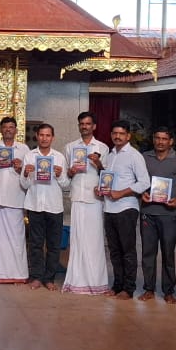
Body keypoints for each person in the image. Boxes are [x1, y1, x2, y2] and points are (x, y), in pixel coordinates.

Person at [101, 119, 150, 300]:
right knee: (114, 250)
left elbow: (144, 182)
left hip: (126, 208)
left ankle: (129, 289)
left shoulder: (134, 155)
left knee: (127, 250)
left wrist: (121, 193)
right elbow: (108, 179)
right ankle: (117, 285)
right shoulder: (110, 155)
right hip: (109, 208)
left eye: (121, 133)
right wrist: (101, 188)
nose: (117, 136)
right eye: (115, 133)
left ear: (128, 136)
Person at [62, 112, 109, 294]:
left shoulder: (102, 148)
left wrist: (98, 164)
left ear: (94, 126)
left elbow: (107, 176)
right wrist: (71, 172)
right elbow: (66, 177)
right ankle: (76, 281)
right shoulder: (70, 147)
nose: (84, 126)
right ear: (79, 126)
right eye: (82, 123)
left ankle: (96, 282)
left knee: (94, 241)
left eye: (88, 124)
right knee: (77, 240)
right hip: (77, 198)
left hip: (94, 199)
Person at [139, 126, 176, 302]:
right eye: (157, 138)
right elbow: (138, 180)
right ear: (153, 139)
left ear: (171, 141)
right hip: (148, 212)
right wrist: (141, 194)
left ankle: (168, 291)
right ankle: (148, 289)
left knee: (168, 254)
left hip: (169, 214)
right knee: (148, 253)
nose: (160, 142)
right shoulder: (144, 157)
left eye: (164, 139)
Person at [21, 123, 67, 290]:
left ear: (52, 138)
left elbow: (66, 184)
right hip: (34, 205)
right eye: (41, 135)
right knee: (35, 244)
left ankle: (49, 278)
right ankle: (36, 277)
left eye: (48, 135)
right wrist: (26, 173)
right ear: (37, 136)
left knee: (54, 245)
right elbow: (24, 184)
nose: (44, 138)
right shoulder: (29, 156)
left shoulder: (59, 157)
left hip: (54, 206)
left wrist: (60, 175)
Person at [0, 117, 30, 284]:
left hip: (16, 199)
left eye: (11, 127)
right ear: (0, 130)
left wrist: (20, 168)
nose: (8, 130)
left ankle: (18, 274)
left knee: (16, 240)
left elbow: (28, 175)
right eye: (5, 127)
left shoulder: (24, 149)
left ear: (16, 130)